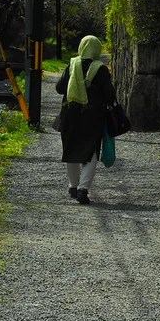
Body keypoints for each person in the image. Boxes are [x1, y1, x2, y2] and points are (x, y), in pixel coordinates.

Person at [55, 34, 116, 205]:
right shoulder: (101, 69)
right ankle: (83, 189)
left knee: (70, 149)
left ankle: (73, 186)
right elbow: (109, 95)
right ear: (96, 49)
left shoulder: (72, 64)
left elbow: (60, 88)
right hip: (93, 115)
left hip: (70, 113)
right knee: (91, 152)